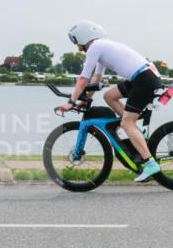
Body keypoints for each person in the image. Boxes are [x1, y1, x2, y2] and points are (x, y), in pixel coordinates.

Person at [56, 20, 161, 182]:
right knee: (109, 96)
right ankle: (133, 124)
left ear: (84, 37)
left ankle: (150, 163)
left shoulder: (95, 48)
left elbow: (83, 79)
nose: (79, 48)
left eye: (78, 43)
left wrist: (71, 102)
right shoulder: (102, 47)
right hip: (143, 77)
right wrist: (85, 100)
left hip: (143, 80)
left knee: (127, 123)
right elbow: (96, 78)